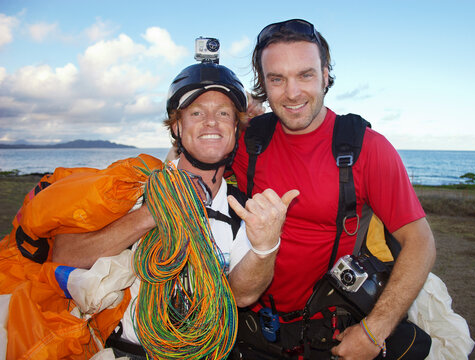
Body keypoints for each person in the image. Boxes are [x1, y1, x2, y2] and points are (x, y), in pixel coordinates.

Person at [0, 61, 297, 359]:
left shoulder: (241, 209)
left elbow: (242, 296)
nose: (211, 121)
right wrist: (149, 215)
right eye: (196, 113)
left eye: (223, 113)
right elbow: (65, 255)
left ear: (235, 127)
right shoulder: (135, 187)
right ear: (177, 126)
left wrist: (264, 246)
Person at [230, 19, 437, 359]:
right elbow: (192, 157)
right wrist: (231, 112)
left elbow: (421, 242)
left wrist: (375, 331)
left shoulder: (366, 148)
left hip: (330, 333)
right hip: (251, 328)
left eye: (305, 75)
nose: (292, 92)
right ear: (263, 86)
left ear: (326, 75)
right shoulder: (249, 139)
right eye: (277, 79)